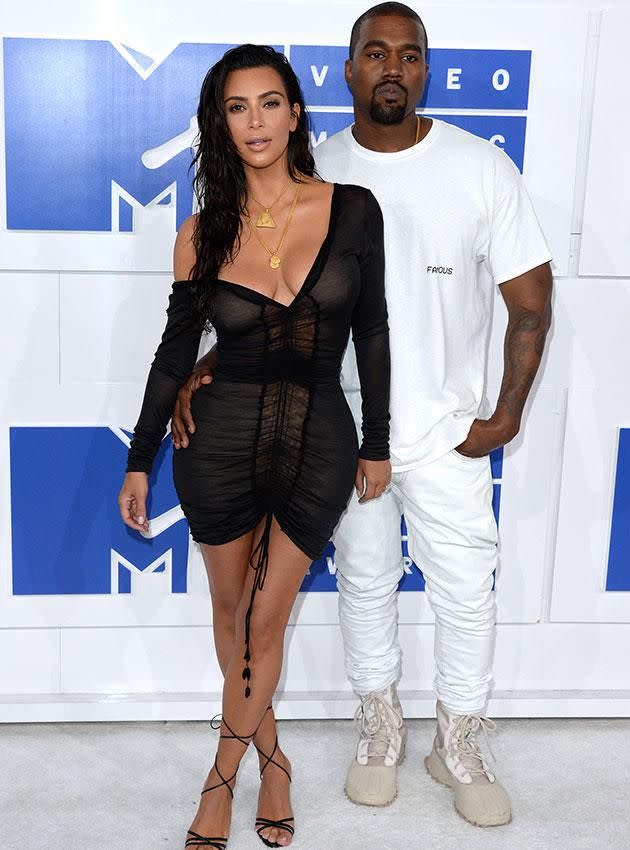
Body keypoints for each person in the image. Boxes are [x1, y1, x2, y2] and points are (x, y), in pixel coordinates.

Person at [171, 3, 553, 829]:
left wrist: (507, 412)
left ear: (426, 70)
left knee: (466, 589)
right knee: (366, 583)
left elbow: (530, 298)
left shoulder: (482, 168)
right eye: (374, 53)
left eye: (408, 55)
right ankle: (378, 728)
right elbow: (267, 301)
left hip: (449, 430)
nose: (391, 67)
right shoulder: (318, 170)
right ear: (345, 71)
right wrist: (207, 369)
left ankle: (460, 739)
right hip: (335, 431)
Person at [117, 44, 391, 849]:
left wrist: (377, 440)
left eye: (269, 103)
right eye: (237, 108)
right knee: (232, 613)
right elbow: (175, 353)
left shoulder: (353, 207)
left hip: (320, 444)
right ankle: (275, 762)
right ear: (220, 124)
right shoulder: (201, 234)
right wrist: (139, 458)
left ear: (296, 112)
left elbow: (371, 330)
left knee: (263, 624)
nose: (256, 122)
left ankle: (220, 778)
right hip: (220, 440)